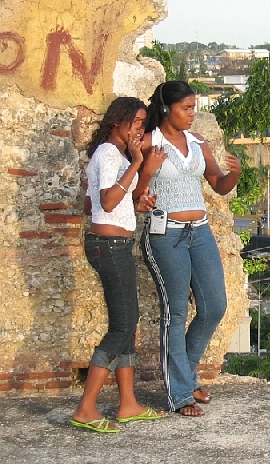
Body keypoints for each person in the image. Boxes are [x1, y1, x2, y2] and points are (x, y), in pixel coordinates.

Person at [137, 81, 241, 417]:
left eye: (194, 107)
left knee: (214, 307)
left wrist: (234, 175)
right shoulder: (148, 142)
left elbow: (219, 185)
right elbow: (133, 191)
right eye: (186, 108)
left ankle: (187, 372)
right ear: (167, 108)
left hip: (200, 232)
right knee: (175, 313)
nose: (192, 114)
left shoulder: (198, 143)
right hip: (165, 233)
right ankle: (180, 393)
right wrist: (145, 181)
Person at [71, 97, 164, 433]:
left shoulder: (108, 156)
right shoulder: (111, 154)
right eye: (137, 122)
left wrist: (133, 205)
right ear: (117, 122)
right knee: (122, 327)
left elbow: (92, 203)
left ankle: (127, 404)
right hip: (110, 246)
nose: (141, 128)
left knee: (127, 322)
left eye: (143, 122)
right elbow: (108, 201)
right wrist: (138, 162)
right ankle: (86, 408)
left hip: (112, 243)